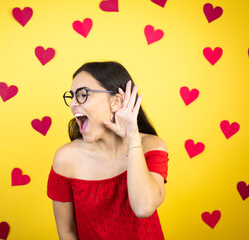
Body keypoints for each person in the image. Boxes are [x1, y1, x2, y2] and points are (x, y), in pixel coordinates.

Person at [47, 61, 169, 240]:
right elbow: (67, 231)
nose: (73, 103)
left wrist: (132, 138)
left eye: (82, 95)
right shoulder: (66, 159)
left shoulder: (152, 146)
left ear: (116, 101)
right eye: (72, 96)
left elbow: (144, 207)